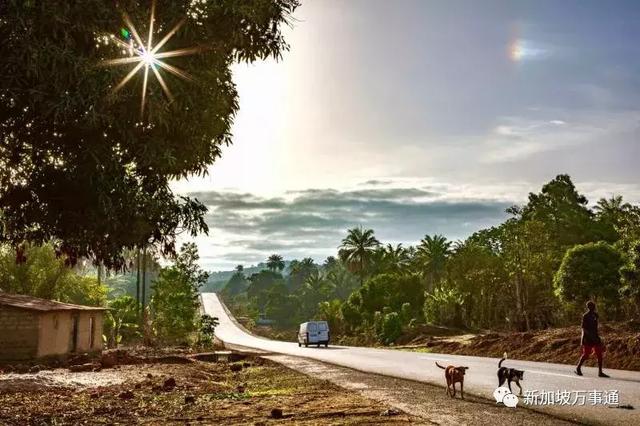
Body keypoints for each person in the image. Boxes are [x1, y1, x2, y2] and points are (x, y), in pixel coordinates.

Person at [575, 301, 609, 377]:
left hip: (595, 337)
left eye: (594, 306)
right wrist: (587, 338)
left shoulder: (596, 315)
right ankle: (578, 368)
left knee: (599, 354)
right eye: (592, 306)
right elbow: (584, 328)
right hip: (588, 338)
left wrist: (597, 336)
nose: (593, 307)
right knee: (586, 355)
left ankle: (600, 372)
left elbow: (596, 327)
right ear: (588, 307)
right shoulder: (585, 316)